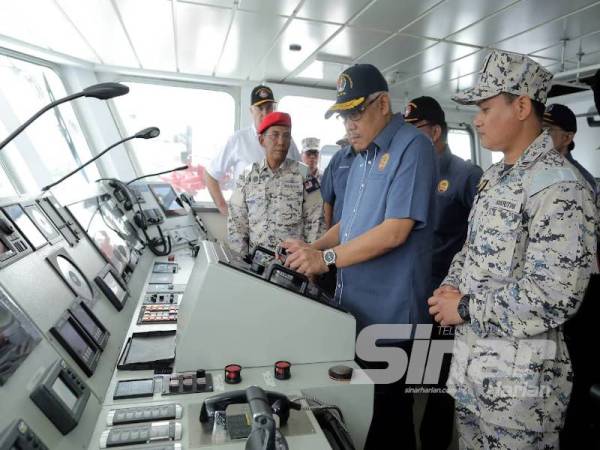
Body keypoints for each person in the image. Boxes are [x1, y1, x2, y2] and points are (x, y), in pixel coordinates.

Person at [428, 49, 597, 449]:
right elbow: (469, 250)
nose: (478, 119)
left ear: (522, 106)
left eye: (486, 108)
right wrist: (449, 289)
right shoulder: (494, 178)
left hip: (520, 397)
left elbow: (555, 294)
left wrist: (465, 307)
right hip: (473, 373)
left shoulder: (561, 188)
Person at [281, 63, 437, 450]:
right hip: (356, 311)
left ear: (383, 103)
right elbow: (348, 224)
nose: (349, 124)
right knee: (362, 415)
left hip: (392, 317)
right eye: (343, 115)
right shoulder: (362, 156)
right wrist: (312, 249)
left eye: (355, 112)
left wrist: (327, 259)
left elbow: (395, 230)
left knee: (389, 420)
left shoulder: (412, 148)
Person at [404, 96, 482, 450]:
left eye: (414, 129)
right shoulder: (409, 171)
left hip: (443, 297)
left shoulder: (465, 175)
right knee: (407, 383)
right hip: (409, 291)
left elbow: (481, 239)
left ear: (435, 132)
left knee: (436, 385)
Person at [227, 112, 323, 257]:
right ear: (261, 140)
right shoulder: (248, 175)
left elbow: (316, 221)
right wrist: (240, 263)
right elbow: (237, 223)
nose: (281, 142)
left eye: (286, 136)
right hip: (255, 265)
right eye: (275, 135)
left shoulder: (304, 174)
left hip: (293, 265)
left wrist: (310, 259)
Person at [206, 85, 300, 215]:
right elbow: (211, 174)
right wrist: (224, 208)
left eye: (269, 108)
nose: (265, 113)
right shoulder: (238, 140)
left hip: (280, 221)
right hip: (246, 222)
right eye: (260, 108)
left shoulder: (287, 140)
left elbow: (302, 175)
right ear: (251, 110)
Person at [543, 103, 597, 195]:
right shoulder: (536, 168)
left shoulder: (583, 180)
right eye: (539, 129)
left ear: (567, 137)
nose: (540, 135)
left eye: (547, 130)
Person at [320, 137, 357, 230]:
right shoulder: (338, 158)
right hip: (338, 232)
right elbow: (327, 200)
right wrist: (327, 232)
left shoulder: (378, 156)